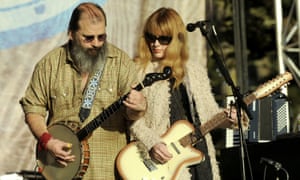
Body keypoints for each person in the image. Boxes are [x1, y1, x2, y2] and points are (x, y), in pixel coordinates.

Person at [19, 2, 146, 179]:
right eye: (88, 38)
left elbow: (132, 116)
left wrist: (138, 107)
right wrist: (48, 141)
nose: (96, 43)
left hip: (107, 172)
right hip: (60, 171)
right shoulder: (49, 64)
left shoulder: (121, 63)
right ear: (71, 34)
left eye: (101, 37)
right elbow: (33, 109)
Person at [128, 7, 249, 179]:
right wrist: (152, 143)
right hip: (165, 162)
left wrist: (231, 119)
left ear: (177, 39)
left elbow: (209, 114)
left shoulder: (194, 70)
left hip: (201, 157)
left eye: (163, 39)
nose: (155, 44)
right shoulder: (138, 72)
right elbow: (132, 121)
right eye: (151, 37)